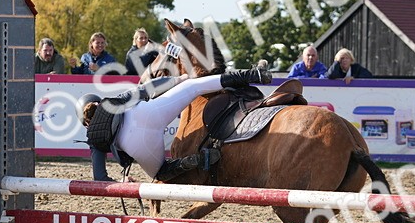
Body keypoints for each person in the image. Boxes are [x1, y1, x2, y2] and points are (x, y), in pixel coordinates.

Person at [79, 67, 272, 181]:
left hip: (139, 145)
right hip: (147, 114)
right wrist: (178, 80)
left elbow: (100, 178)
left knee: (161, 173)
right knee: (194, 86)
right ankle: (252, 74)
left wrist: (122, 181)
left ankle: (190, 161)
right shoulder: (112, 101)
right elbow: (147, 88)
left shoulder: (93, 139)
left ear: (85, 122)